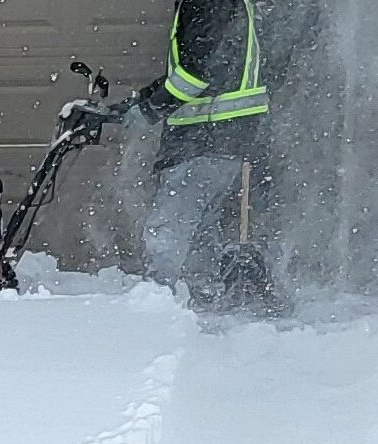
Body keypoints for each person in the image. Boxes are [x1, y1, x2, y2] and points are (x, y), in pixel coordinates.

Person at [117, 0, 275, 307]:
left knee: (169, 228)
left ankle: (156, 306)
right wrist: (143, 99)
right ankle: (202, 304)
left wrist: (149, 110)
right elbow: (195, 66)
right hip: (224, 136)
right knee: (201, 231)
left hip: (209, 133)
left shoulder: (206, 1)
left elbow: (194, 75)